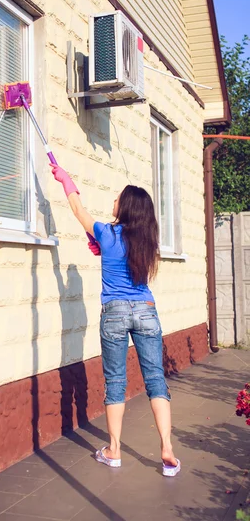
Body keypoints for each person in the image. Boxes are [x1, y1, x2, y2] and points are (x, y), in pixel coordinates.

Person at [50, 163, 180, 477]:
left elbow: (78, 209)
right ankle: (167, 448)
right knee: (155, 381)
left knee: (116, 383)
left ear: (125, 207)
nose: (112, 204)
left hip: (115, 312)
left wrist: (67, 179)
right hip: (146, 309)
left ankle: (114, 450)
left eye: (116, 200)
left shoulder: (107, 233)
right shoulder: (147, 240)